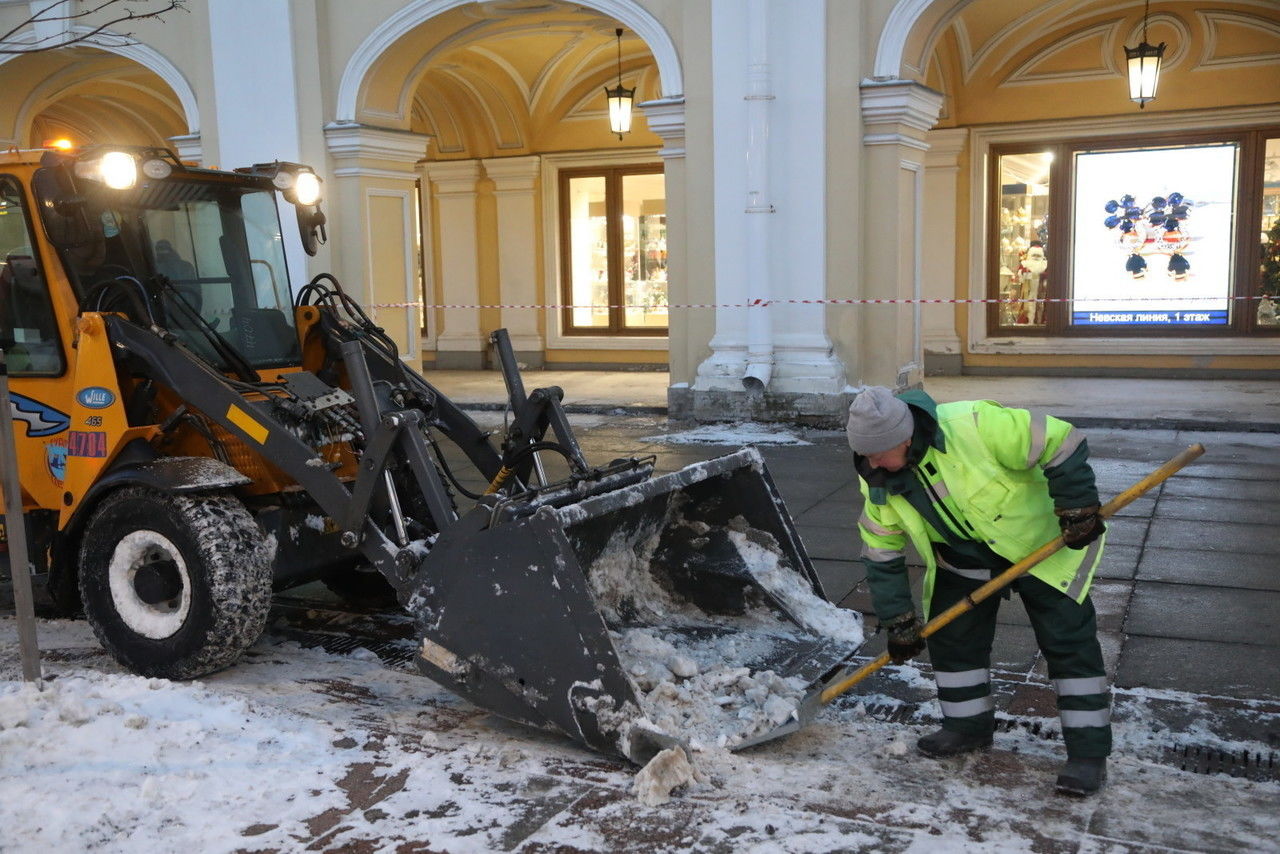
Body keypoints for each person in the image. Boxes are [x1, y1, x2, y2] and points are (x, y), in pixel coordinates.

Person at [846, 386, 1110, 795]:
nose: (872, 463)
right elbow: (881, 552)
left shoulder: (974, 425)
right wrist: (897, 618)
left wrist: (1077, 505)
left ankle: (1088, 754)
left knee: (1068, 643)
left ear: (906, 438)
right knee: (953, 640)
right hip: (962, 558)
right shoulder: (878, 480)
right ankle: (966, 727)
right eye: (865, 454)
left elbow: (1061, 439)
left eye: (879, 453)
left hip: (1039, 546)